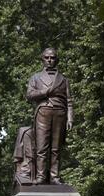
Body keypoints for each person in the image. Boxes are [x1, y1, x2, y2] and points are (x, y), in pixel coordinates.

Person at [26, 48, 73, 184]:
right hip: (43, 112)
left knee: (56, 148)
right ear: (42, 59)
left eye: (52, 57)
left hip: (60, 113)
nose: (49, 60)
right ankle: (40, 176)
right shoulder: (35, 77)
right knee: (42, 146)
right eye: (46, 57)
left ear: (56, 59)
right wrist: (45, 91)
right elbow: (29, 95)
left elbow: (69, 100)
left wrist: (70, 118)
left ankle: (54, 176)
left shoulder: (64, 79)